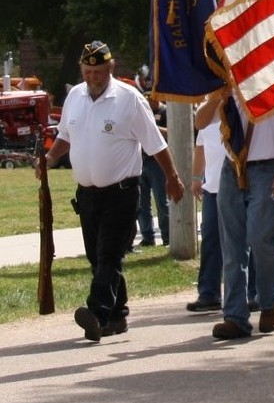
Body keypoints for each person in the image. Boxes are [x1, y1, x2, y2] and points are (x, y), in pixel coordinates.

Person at [37, 41, 185, 341]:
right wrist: (50, 159)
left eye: (99, 71)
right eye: (88, 71)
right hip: (87, 195)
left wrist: (172, 177)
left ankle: (97, 313)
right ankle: (118, 315)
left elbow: (155, 143)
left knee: (109, 255)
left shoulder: (129, 99)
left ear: (111, 68)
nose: (93, 77)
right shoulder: (75, 97)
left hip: (122, 192)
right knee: (97, 256)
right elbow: (65, 136)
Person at [194, 84, 274, 339]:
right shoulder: (224, 86)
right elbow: (200, 121)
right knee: (232, 247)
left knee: (261, 239)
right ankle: (235, 317)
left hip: (267, 168)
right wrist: (217, 97)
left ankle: (268, 302)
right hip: (231, 168)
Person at [186, 115, 257, 313]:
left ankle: (254, 293)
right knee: (210, 239)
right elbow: (200, 148)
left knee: (247, 240)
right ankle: (209, 294)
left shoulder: (239, 114)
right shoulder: (205, 115)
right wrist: (196, 178)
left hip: (239, 186)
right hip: (212, 189)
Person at [136, 95, 170, 247]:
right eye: (147, 99)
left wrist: (151, 127)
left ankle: (167, 236)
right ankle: (147, 237)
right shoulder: (143, 113)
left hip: (157, 163)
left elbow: (172, 132)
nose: (150, 102)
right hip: (141, 160)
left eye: (152, 98)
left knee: (162, 201)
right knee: (142, 203)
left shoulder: (166, 112)